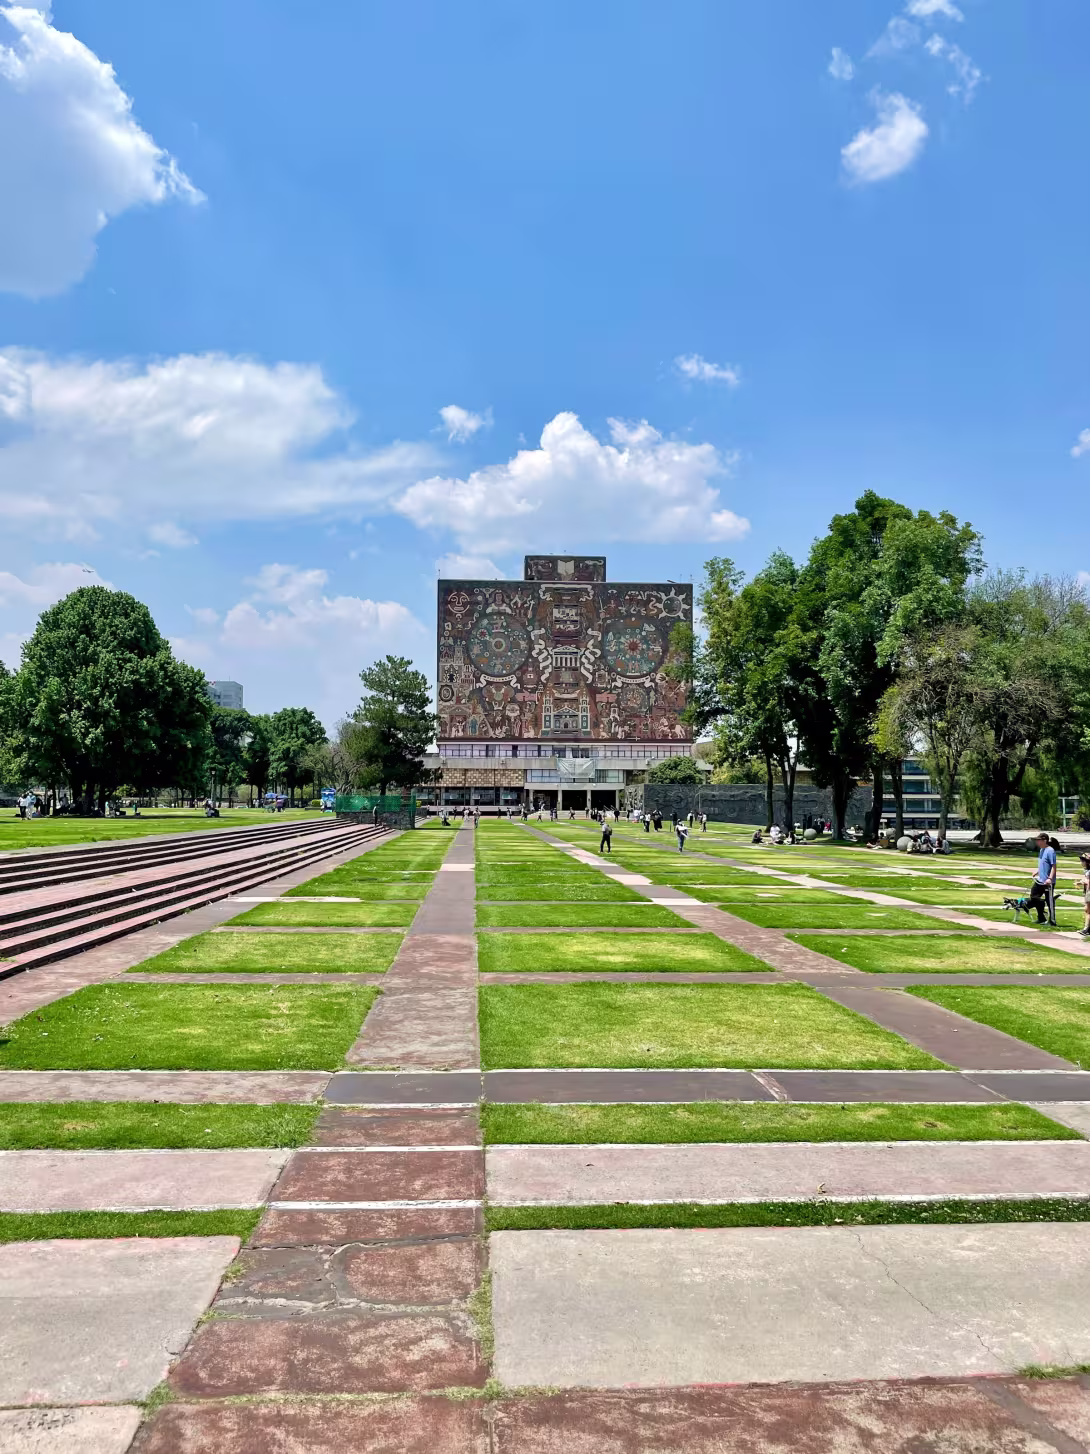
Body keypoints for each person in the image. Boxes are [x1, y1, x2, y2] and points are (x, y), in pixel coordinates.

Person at [1028, 830, 1058, 926]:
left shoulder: (1050, 851)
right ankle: (1041, 917)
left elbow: (1053, 866)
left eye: (1039, 840)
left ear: (1045, 840)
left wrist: (1050, 878)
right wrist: (1037, 871)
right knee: (1034, 896)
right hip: (1040, 880)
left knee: (1049, 901)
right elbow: (1043, 863)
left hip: (1048, 882)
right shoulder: (1041, 850)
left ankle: (1052, 921)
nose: (1037, 842)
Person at [1076, 853, 1090, 939]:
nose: (1081, 862)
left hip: (1089, 892)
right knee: (1087, 910)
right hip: (1087, 892)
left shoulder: (1089, 872)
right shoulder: (1087, 871)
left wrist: (1082, 882)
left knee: (1088, 911)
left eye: (1082, 861)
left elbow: (1088, 882)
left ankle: (1086, 929)